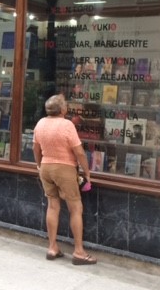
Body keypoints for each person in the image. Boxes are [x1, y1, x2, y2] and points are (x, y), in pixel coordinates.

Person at [33, 94, 97, 265]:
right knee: (75, 207)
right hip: (64, 168)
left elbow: (36, 147)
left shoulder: (40, 123)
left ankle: (52, 247)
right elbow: (79, 152)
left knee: (53, 206)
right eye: (66, 105)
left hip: (46, 167)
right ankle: (79, 252)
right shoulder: (67, 125)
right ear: (62, 110)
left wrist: (39, 165)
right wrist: (87, 171)